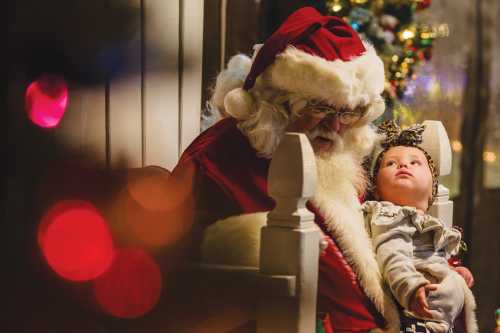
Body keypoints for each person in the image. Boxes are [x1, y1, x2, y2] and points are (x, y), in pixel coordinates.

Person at [172, 6, 472, 333]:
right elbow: (185, 282)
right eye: (319, 107)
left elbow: (394, 228)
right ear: (278, 101)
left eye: (347, 112)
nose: (334, 125)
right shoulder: (216, 160)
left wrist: (445, 270)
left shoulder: (340, 159)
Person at [363, 121, 478, 333]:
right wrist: (411, 286)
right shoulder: (389, 215)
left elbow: (428, 259)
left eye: (415, 163)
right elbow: (392, 253)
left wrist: (451, 271)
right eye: (390, 164)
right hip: (413, 315)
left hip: (438, 320)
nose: (403, 166)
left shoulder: (425, 223)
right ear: (376, 189)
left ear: (431, 189)